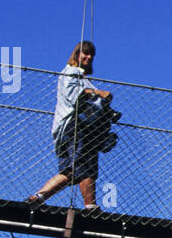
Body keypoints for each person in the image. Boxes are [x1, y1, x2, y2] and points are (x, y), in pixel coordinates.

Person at [26, 40, 112, 210]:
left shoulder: (81, 78)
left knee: (71, 172)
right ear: (76, 54)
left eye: (91, 55)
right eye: (85, 53)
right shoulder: (71, 72)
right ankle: (91, 207)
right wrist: (99, 93)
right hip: (76, 127)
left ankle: (37, 198)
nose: (88, 57)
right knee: (85, 165)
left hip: (66, 129)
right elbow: (74, 95)